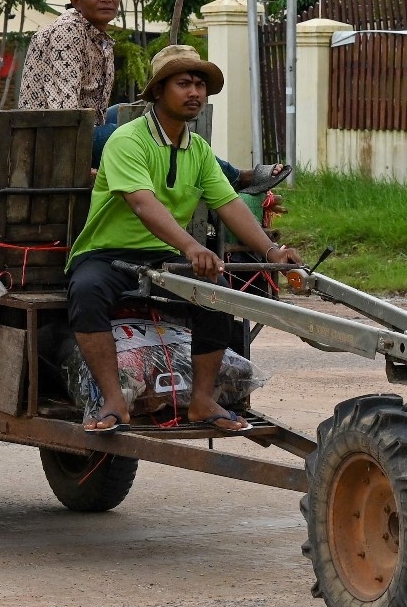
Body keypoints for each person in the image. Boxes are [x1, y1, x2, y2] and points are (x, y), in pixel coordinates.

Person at [65, 44, 303, 434]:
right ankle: (112, 401)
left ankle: (203, 401)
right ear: (158, 91)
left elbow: (229, 204)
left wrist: (272, 250)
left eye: (200, 85)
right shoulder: (127, 140)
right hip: (106, 254)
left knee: (218, 291)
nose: (195, 93)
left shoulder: (199, 151)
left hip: (160, 256)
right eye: (183, 83)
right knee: (86, 290)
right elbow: (143, 204)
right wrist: (192, 246)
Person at [18, 0, 290, 195]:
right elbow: (63, 114)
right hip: (52, 135)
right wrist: (84, 166)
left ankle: (223, 171)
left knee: (143, 118)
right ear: (76, 0)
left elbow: (94, 109)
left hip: (87, 123)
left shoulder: (99, 37)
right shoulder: (68, 31)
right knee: (134, 133)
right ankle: (236, 177)